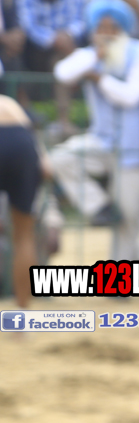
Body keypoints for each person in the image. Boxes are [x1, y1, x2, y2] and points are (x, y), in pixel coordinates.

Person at [49, 0, 139, 260]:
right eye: (101, 28)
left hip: (138, 149)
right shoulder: (89, 55)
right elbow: (62, 73)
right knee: (60, 159)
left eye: (113, 27)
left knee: (128, 221)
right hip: (102, 141)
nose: (107, 34)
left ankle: (122, 277)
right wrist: (95, 57)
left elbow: (131, 96)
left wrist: (99, 77)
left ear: (123, 29)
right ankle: (100, 207)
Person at [15, 0, 88, 128]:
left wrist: (67, 35)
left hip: (65, 48)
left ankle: (63, 121)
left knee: (60, 60)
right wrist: (53, 38)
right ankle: (44, 119)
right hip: (36, 52)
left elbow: (81, 22)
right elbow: (29, 26)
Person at [0, 95, 45, 309]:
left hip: (21, 141)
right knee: (24, 236)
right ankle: (22, 313)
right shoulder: (9, 103)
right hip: (21, 143)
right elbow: (42, 157)